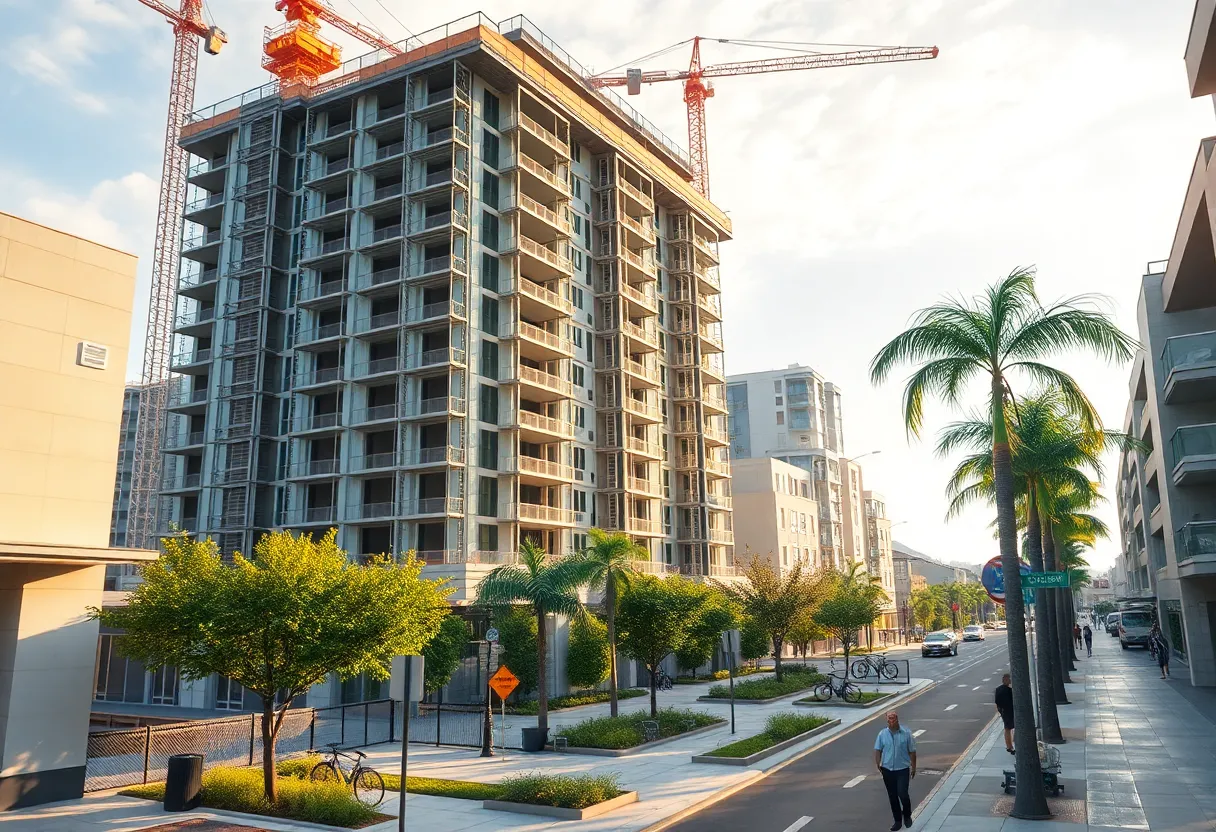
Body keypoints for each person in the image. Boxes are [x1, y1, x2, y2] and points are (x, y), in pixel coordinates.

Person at [874, 710, 917, 831]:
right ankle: (897, 821)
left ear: (897, 719)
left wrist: (914, 767)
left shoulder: (906, 733)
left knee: (903, 794)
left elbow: (912, 751)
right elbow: (878, 750)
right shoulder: (882, 734)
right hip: (887, 769)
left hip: (902, 769)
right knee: (892, 796)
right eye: (889, 718)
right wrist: (878, 764)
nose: (891, 720)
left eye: (893, 718)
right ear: (887, 720)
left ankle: (907, 815)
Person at [994, 673, 1015, 754]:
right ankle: (1010, 745)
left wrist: (1000, 710)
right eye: (1009, 679)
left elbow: (997, 701)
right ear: (1006, 680)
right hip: (1009, 711)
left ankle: (1009, 745)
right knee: (1010, 728)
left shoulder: (998, 689)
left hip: (1003, 711)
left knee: (1007, 728)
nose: (1010, 681)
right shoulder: (1009, 690)